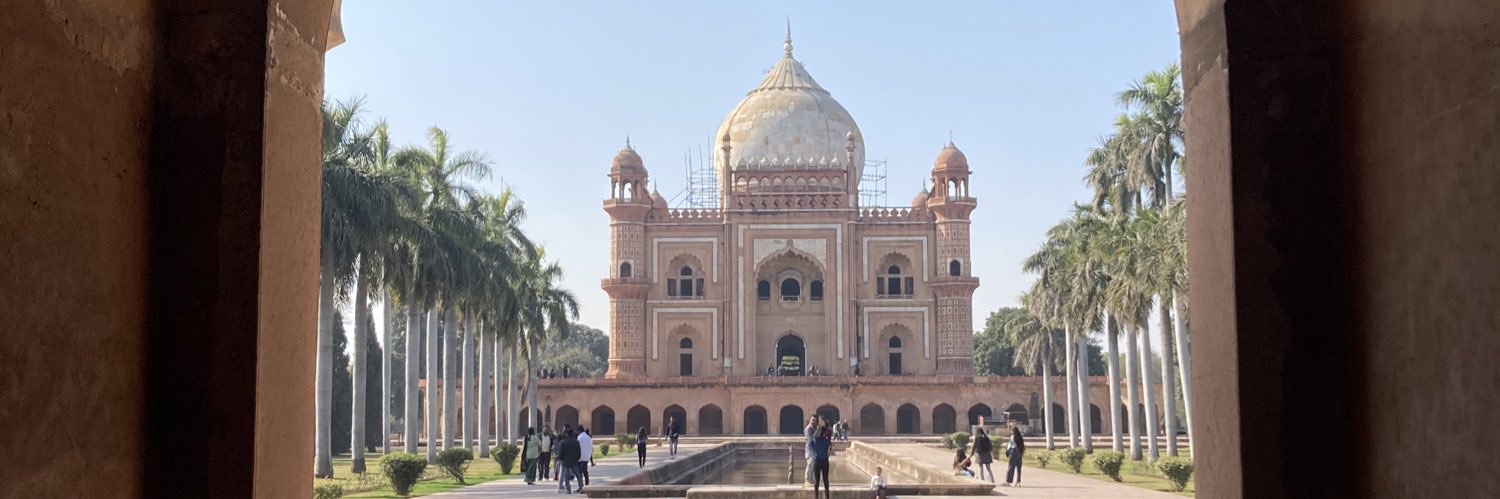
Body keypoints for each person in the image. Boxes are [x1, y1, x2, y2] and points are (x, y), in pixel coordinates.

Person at [811, 418, 833, 499]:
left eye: (821, 421)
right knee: (821, 481)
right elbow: (812, 445)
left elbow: (812, 445)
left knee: (821, 481)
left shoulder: (826, 433)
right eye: (819, 421)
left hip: (820, 460)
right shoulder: (819, 435)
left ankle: (822, 497)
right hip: (820, 460)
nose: (820, 422)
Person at [558, 428, 581, 494]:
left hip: (566, 461)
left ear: (567, 434)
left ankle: (568, 489)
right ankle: (581, 487)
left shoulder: (564, 442)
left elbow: (561, 453)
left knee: (566, 476)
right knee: (578, 475)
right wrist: (577, 458)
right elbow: (579, 453)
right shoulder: (576, 442)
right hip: (574, 461)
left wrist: (562, 459)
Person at [802, 415, 819, 485]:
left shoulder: (814, 428)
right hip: (810, 449)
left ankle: (811, 480)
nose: (813, 421)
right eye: (812, 420)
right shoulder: (809, 428)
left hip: (814, 449)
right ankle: (807, 480)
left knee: (813, 465)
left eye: (815, 420)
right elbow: (811, 439)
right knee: (810, 464)